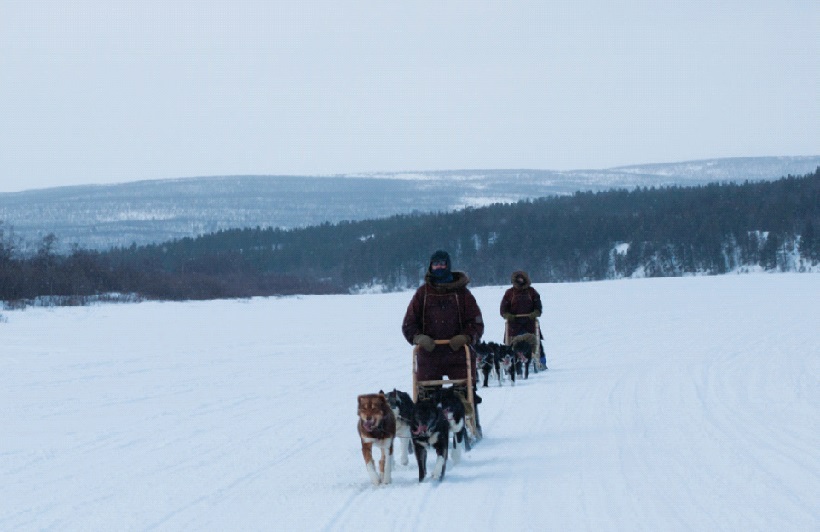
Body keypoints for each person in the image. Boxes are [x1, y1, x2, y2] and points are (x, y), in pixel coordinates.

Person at [402, 250, 484, 427]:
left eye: (442, 263)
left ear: (448, 265)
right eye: (436, 264)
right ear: (430, 266)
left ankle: (469, 423)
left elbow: (476, 322)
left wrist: (465, 337)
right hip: (429, 355)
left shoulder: (463, 294)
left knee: (463, 393)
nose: (439, 267)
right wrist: (419, 338)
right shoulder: (422, 294)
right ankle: (427, 426)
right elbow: (409, 324)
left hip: (458, 354)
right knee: (426, 397)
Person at [500, 270, 547, 369]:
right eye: (518, 279)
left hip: (529, 323)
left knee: (536, 343)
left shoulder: (532, 292)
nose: (520, 280)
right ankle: (510, 362)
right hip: (514, 324)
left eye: (522, 278)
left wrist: (534, 313)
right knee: (511, 344)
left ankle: (542, 362)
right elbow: (503, 310)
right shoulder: (509, 293)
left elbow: (538, 308)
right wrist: (508, 315)